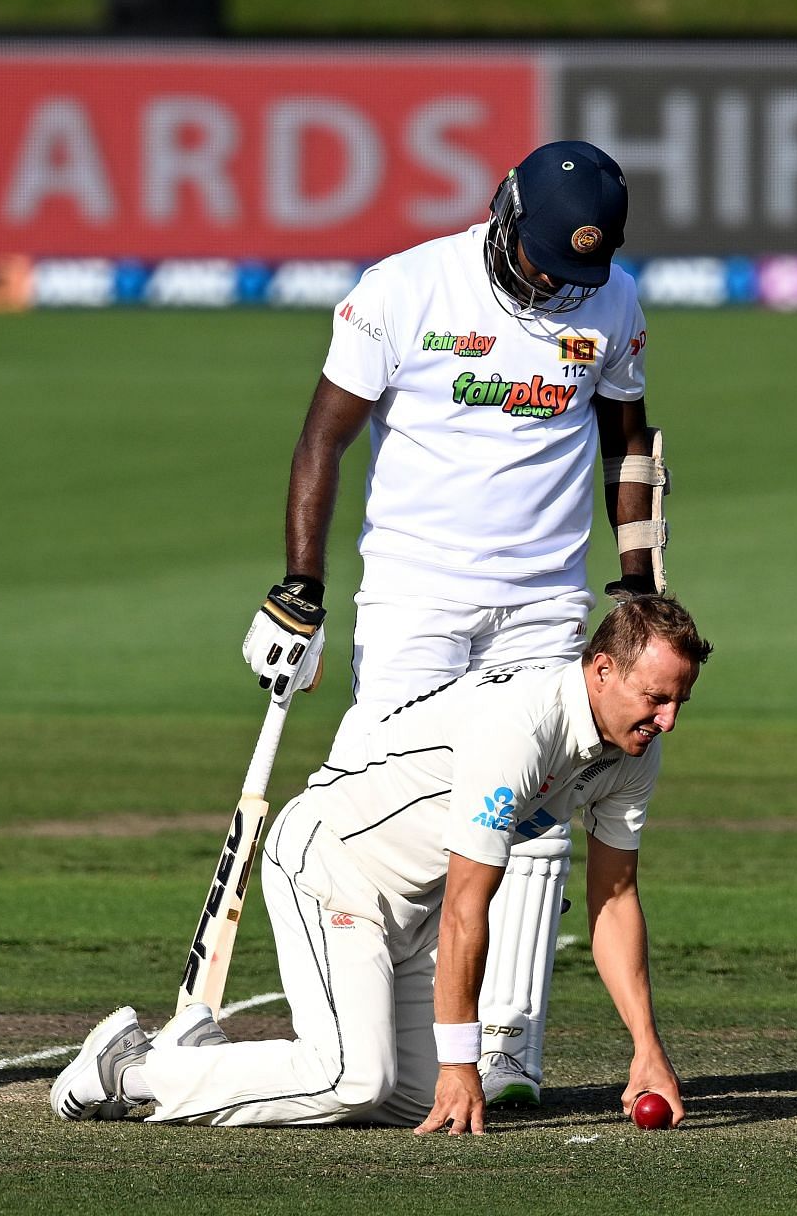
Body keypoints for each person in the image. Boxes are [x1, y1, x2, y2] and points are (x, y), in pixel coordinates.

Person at [236, 139, 669, 1107]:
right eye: (547, 264)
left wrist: (638, 581)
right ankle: (374, 1023)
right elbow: (324, 437)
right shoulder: (402, 289)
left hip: (549, 597)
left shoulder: (613, 300)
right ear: (505, 217)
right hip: (414, 593)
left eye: (578, 273)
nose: (561, 286)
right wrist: (301, 580)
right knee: (400, 801)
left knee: (541, 809)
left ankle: (505, 1046)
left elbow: (630, 443)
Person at [52, 595, 711, 1133]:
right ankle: (129, 1069)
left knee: (421, 1101)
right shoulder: (519, 730)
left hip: (413, 907)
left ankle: (199, 1057)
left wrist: (646, 1048)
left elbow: (616, 897)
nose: (670, 720)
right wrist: (460, 1062)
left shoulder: (633, 752)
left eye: (679, 700)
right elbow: (466, 907)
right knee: (355, 1079)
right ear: (601, 669)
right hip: (333, 866)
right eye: (656, 697)